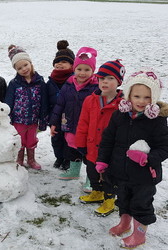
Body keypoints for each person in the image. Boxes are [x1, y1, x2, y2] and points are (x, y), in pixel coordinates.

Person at [96, 69, 168, 248]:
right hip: (119, 171)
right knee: (123, 200)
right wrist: (103, 160)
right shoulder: (119, 115)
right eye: (136, 96)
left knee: (141, 204)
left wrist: (148, 158)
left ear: (153, 98)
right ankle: (124, 224)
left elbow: (166, 147)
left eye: (147, 97)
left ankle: (139, 235)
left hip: (144, 176)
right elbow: (108, 140)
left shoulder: (157, 121)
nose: (141, 101)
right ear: (128, 95)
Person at [75, 60, 125, 216]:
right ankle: (97, 192)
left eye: (110, 78)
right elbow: (83, 123)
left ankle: (109, 199)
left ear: (118, 82)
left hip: (111, 151)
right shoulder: (90, 100)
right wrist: (81, 144)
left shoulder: (123, 104)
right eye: (101, 78)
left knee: (109, 177)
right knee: (92, 173)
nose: (105, 82)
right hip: (91, 147)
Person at [49, 47, 98, 180]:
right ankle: (74, 172)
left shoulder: (96, 87)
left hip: (87, 128)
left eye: (87, 70)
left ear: (93, 71)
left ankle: (91, 178)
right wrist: (54, 123)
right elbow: (59, 105)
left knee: (89, 153)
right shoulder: (68, 85)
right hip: (70, 124)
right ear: (74, 69)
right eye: (79, 69)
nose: (82, 73)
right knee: (72, 149)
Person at [5, 44, 48, 170]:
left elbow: (44, 102)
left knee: (31, 140)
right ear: (16, 70)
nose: (24, 69)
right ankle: (19, 159)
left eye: (25, 65)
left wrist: (43, 119)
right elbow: (8, 102)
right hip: (18, 120)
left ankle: (31, 159)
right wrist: (8, 118)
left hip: (33, 120)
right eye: (19, 68)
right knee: (20, 140)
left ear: (30, 63)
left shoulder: (40, 82)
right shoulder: (14, 84)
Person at [46, 40, 75, 171]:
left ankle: (68, 159)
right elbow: (46, 99)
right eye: (58, 62)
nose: (60, 64)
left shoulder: (74, 81)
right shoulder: (50, 81)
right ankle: (59, 157)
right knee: (56, 139)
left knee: (68, 140)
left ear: (72, 64)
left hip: (70, 117)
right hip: (55, 116)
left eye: (64, 62)